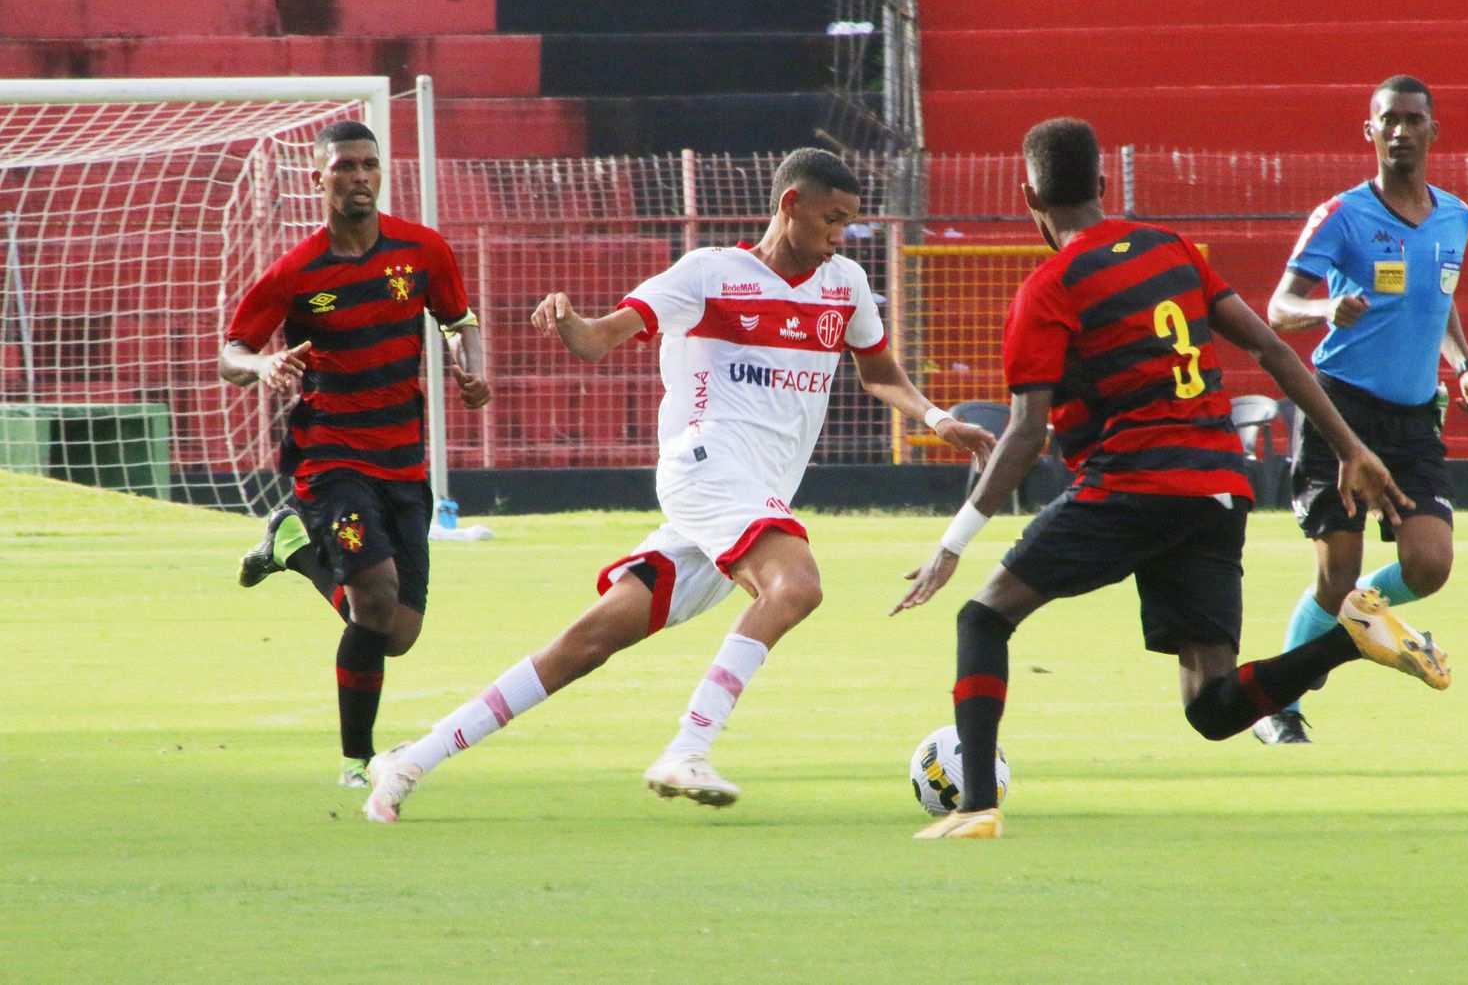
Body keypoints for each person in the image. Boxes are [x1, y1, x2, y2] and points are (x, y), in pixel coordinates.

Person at [361, 147, 995, 822]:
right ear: (791, 206)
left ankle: (412, 758)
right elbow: (599, 339)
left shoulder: (843, 285)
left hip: (750, 499)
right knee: (797, 586)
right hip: (707, 467)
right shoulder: (708, 274)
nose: (841, 236)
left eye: (849, 223)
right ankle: (689, 748)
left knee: (589, 643)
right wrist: (569, 321)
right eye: (832, 220)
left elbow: (879, 373)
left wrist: (937, 418)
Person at [892, 117, 1451, 840]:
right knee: (1212, 707)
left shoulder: (1049, 288)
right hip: (1219, 489)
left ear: (1026, 194)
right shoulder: (1172, 247)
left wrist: (954, 540)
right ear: (1101, 184)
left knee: (983, 617)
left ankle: (974, 807)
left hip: (1131, 485)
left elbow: (1027, 432)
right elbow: (1274, 350)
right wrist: (1350, 447)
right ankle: (1353, 638)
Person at [220, 120, 491, 787]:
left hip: (404, 461)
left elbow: (460, 321)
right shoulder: (295, 273)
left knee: (397, 631)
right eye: (345, 166)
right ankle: (356, 761)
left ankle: (292, 549)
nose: (360, 176)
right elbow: (231, 352)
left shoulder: (423, 251)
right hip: (328, 459)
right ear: (319, 178)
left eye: (369, 165)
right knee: (373, 600)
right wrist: (262, 365)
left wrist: (471, 366)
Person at [1252, 75, 1468, 745]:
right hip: (1341, 414)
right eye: (1388, 119)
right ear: (1371, 131)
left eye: (1413, 119)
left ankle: (1357, 620)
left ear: (1432, 131)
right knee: (1335, 575)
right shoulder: (1343, 216)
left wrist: (1465, 366)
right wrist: (1324, 307)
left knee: (1430, 564)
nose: (1400, 131)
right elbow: (1277, 308)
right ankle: (1279, 705)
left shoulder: (1455, 217)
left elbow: (1438, 300)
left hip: (1415, 421)